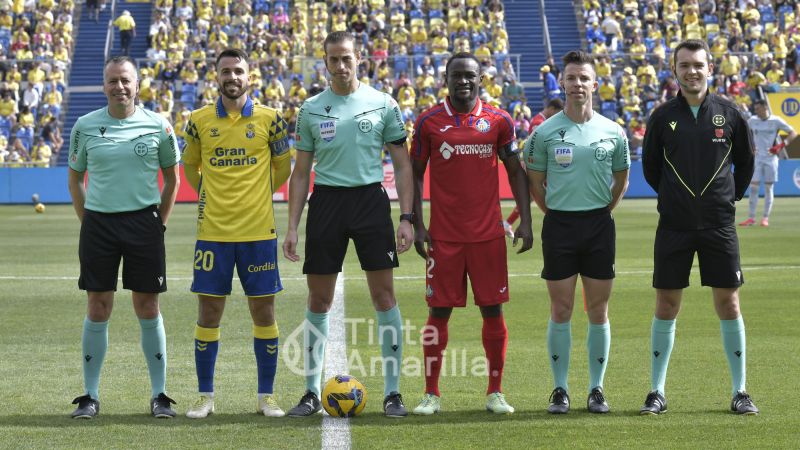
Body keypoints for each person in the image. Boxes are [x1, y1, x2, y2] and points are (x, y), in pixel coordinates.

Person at [282, 31, 414, 418]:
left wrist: (406, 217)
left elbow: (403, 165)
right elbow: (301, 172)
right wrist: (292, 226)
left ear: (360, 59)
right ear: (324, 61)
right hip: (327, 204)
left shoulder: (383, 103)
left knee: (384, 298)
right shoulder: (310, 109)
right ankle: (309, 392)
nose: (340, 65)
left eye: (347, 58)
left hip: (371, 202)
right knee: (318, 300)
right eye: (333, 59)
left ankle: (393, 393)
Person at [409, 52, 533, 416]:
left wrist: (524, 220)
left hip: (487, 235)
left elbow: (515, 171)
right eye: (456, 75)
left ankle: (495, 392)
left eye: (470, 76)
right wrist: (417, 224)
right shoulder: (429, 122)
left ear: (481, 79)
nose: (463, 81)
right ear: (445, 78)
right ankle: (431, 393)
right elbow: (415, 174)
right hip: (443, 237)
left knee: (492, 312)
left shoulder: (499, 120)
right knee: (438, 313)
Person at [641, 39, 758, 415]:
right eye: (685, 65)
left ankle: (740, 391)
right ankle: (657, 391)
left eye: (698, 65)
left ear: (711, 69)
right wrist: (676, 199)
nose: (692, 71)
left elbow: (746, 164)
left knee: (729, 302)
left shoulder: (730, 113)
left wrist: (726, 199)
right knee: (666, 304)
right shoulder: (661, 117)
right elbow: (651, 170)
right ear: (674, 70)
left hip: (718, 225)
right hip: (673, 226)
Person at [181, 48, 292, 419]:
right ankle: (205, 397)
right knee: (209, 312)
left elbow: (282, 169)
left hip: (259, 233)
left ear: (250, 76)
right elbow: (192, 168)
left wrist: (254, 198)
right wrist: (211, 199)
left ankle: (266, 397)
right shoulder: (197, 121)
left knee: (263, 311)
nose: (232, 77)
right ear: (217, 76)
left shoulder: (271, 119)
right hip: (212, 233)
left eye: (238, 71)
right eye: (226, 71)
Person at [67, 56, 180, 419]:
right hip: (99, 225)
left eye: (125, 80)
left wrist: (157, 223)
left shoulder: (158, 125)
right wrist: (89, 221)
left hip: (143, 224)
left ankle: (160, 395)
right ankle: (90, 396)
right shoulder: (84, 127)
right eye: (113, 81)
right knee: (98, 307)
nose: (119, 87)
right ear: (104, 86)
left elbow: (173, 180)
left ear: (137, 83)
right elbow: (75, 179)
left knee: (148, 307)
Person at [525, 50, 630, 415]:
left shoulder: (613, 131)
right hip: (560, 226)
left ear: (595, 84)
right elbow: (535, 182)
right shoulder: (544, 132)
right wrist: (552, 212)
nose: (577, 84)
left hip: (599, 225)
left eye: (584, 78)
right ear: (563, 83)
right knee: (562, 307)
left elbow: (621, 179)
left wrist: (603, 210)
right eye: (571, 78)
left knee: (598, 310)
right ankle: (560, 388)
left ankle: (597, 388)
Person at [502, 98, 565, 237]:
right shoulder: (539, 122)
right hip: (539, 167)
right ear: (552, 109)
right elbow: (538, 145)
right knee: (550, 194)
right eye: (557, 113)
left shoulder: (540, 120)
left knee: (532, 197)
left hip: (540, 165)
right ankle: (558, 223)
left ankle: (507, 224)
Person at [740, 98, 796, 227]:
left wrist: (782, 145)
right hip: (757, 158)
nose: (756, 111)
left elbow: (792, 132)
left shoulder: (776, 120)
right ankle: (751, 218)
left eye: (758, 108)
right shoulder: (753, 120)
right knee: (753, 187)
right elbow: (743, 133)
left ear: (765, 108)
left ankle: (765, 218)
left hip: (771, 158)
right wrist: (750, 146)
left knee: (768, 187)